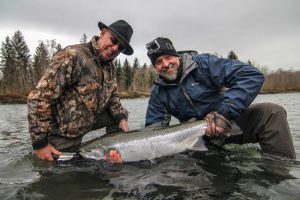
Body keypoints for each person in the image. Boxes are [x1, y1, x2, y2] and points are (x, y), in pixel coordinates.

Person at [145, 37, 296, 159]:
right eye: (158, 62)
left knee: (271, 113)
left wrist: (223, 113)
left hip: (230, 123)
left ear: (176, 55)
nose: (165, 64)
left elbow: (251, 76)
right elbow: (153, 131)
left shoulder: (204, 64)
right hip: (197, 139)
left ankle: (280, 175)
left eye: (168, 57)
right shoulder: (158, 92)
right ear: (155, 67)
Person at [27, 20, 134, 162]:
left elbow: (113, 96)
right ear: (102, 33)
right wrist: (40, 144)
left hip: (89, 120)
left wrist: (121, 119)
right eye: (114, 40)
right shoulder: (72, 55)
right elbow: (39, 98)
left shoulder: (110, 66)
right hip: (63, 130)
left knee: (121, 114)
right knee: (62, 173)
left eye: (120, 47)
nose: (115, 48)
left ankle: (112, 150)